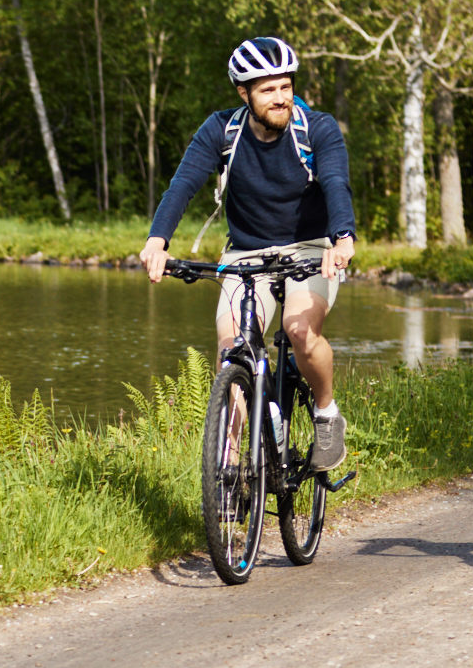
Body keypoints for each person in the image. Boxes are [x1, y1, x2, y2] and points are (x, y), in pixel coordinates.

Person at [138, 36, 359, 468]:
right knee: (233, 350)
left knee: (300, 331)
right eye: (267, 89)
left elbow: (335, 183)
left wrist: (343, 238)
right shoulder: (222, 130)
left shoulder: (316, 128)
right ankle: (230, 466)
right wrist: (157, 241)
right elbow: (182, 185)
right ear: (244, 94)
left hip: (311, 248)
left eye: (285, 86)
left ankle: (327, 412)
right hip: (246, 254)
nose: (280, 98)